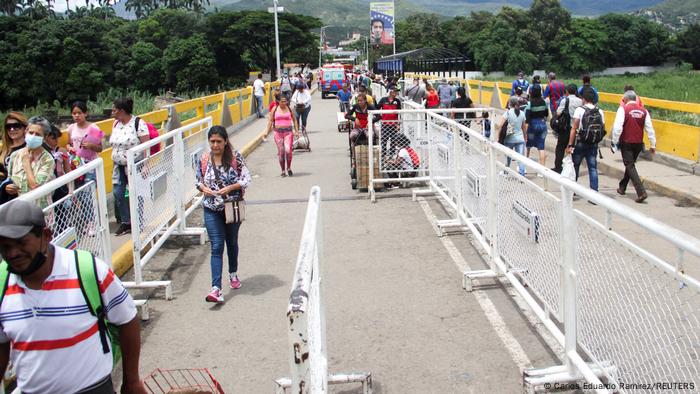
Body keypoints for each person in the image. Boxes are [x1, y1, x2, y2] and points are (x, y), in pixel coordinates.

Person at [0, 199, 147, 394]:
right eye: (4, 246)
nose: (12, 253)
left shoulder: (87, 270)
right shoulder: (2, 282)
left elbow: (127, 319)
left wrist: (132, 381)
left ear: (46, 236)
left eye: (20, 243)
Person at [196, 126, 251, 303]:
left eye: (218, 141)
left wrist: (231, 187)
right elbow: (198, 180)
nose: (215, 145)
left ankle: (233, 273)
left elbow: (246, 179)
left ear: (225, 141)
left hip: (232, 207)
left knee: (231, 242)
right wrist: (204, 188)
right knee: (216, 246)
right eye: (212, 141)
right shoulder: (204, 159)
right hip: (211, 208)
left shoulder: (235, 158)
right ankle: (216, 289)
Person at [109, 97, 150, 236]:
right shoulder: (115, 124)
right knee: (118, 193)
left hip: (135, 164)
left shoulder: (138, 123)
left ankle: (138, 221)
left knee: (137, 193)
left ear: (121, 111)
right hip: (118, 164)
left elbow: (146, 146)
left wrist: (146, 165)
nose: (112, 112)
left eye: (114, 110)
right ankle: (126, 222)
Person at [611, 90, 656, 203]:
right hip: (638, 143)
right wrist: (653, 144)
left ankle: (641, 192)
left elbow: (617, 127)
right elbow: (649, 128)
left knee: (630, 165)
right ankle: (622, 187)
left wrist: (614, 141)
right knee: (630, 164)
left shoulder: (623, 109)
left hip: (626, 142)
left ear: (625, 99)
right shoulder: (644, 111)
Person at [4, 116, 55, 209]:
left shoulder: (47, 160)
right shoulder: (15, 155)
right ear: (25, 131)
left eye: (38, 134)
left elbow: (35, 188)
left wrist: (26, 163)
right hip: (19, 210)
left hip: (39, 211)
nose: (33, 136)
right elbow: (10, 179)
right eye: (31, 132)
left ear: (45, 137)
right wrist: (10, 188)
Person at [566, 89, 605, 193]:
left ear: (584, 99)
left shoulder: (580, 110)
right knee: (592, 168)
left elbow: (574, 128)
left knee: (576, 165)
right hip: (593, 143)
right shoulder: (600, 111)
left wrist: (570, 144)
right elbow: (603, 128)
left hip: (581, 142)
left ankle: (573, 190)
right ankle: (594, 192)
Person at [552, 84, 583, 174]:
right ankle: (571, 168)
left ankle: (558, 167)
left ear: (567, 91)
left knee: (560, 147)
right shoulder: (581, 101)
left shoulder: (565, 100)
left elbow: (558, 113)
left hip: (565, 128)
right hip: (576, 128)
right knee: (572, 148)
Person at [266, 96, 300, 177]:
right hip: (278, 133)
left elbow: (295, 120)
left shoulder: (289, 108)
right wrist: (266, 132)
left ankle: (288, 168)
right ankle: (283, 170)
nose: (284, 103)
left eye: (285, 101)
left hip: (288, 132)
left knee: (288, 150)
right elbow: (270, 121)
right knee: (281, 152)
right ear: (278, 102)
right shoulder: (274, 109)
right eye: (282, 101)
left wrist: (296, 131)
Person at [500, 96, 528, 176]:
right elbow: (524, 127)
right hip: (520, 139)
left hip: (509, 138)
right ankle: (522, 174)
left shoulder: (507, 113)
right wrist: (525, 137)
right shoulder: (522, 113)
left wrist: (499, 137)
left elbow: (500, 125)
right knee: (521, 157)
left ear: (510, 104)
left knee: (507, 157)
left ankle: (505, 172)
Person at [525, 85, 549, 172]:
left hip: (532, 126)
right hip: (542, 125)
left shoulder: (529, 104)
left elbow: (527, 119)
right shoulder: (544, 102)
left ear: (531, 92)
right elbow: (546, 114)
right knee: (541, 147)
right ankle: (542, 171)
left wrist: (525, 133)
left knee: (528, 145)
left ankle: (524, 167)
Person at [0, 112, 28, 184]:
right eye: (8, 127)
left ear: (25, 128)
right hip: (7, 191)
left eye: (16, 126)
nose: (12, 129)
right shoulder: (4, 149)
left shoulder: (31, 147)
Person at [376, 87, 402, 162]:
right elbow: (377, 108)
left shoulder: (397, 101)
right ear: (391, 92)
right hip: (385, 124)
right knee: (384, 140)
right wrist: (374, 100)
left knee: (393, 141)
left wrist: (398, 124)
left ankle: (391, 156)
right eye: (395, 91)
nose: (397, 93)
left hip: (394, 125)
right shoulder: (383, 100)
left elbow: (399, 113)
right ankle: (383, 156)